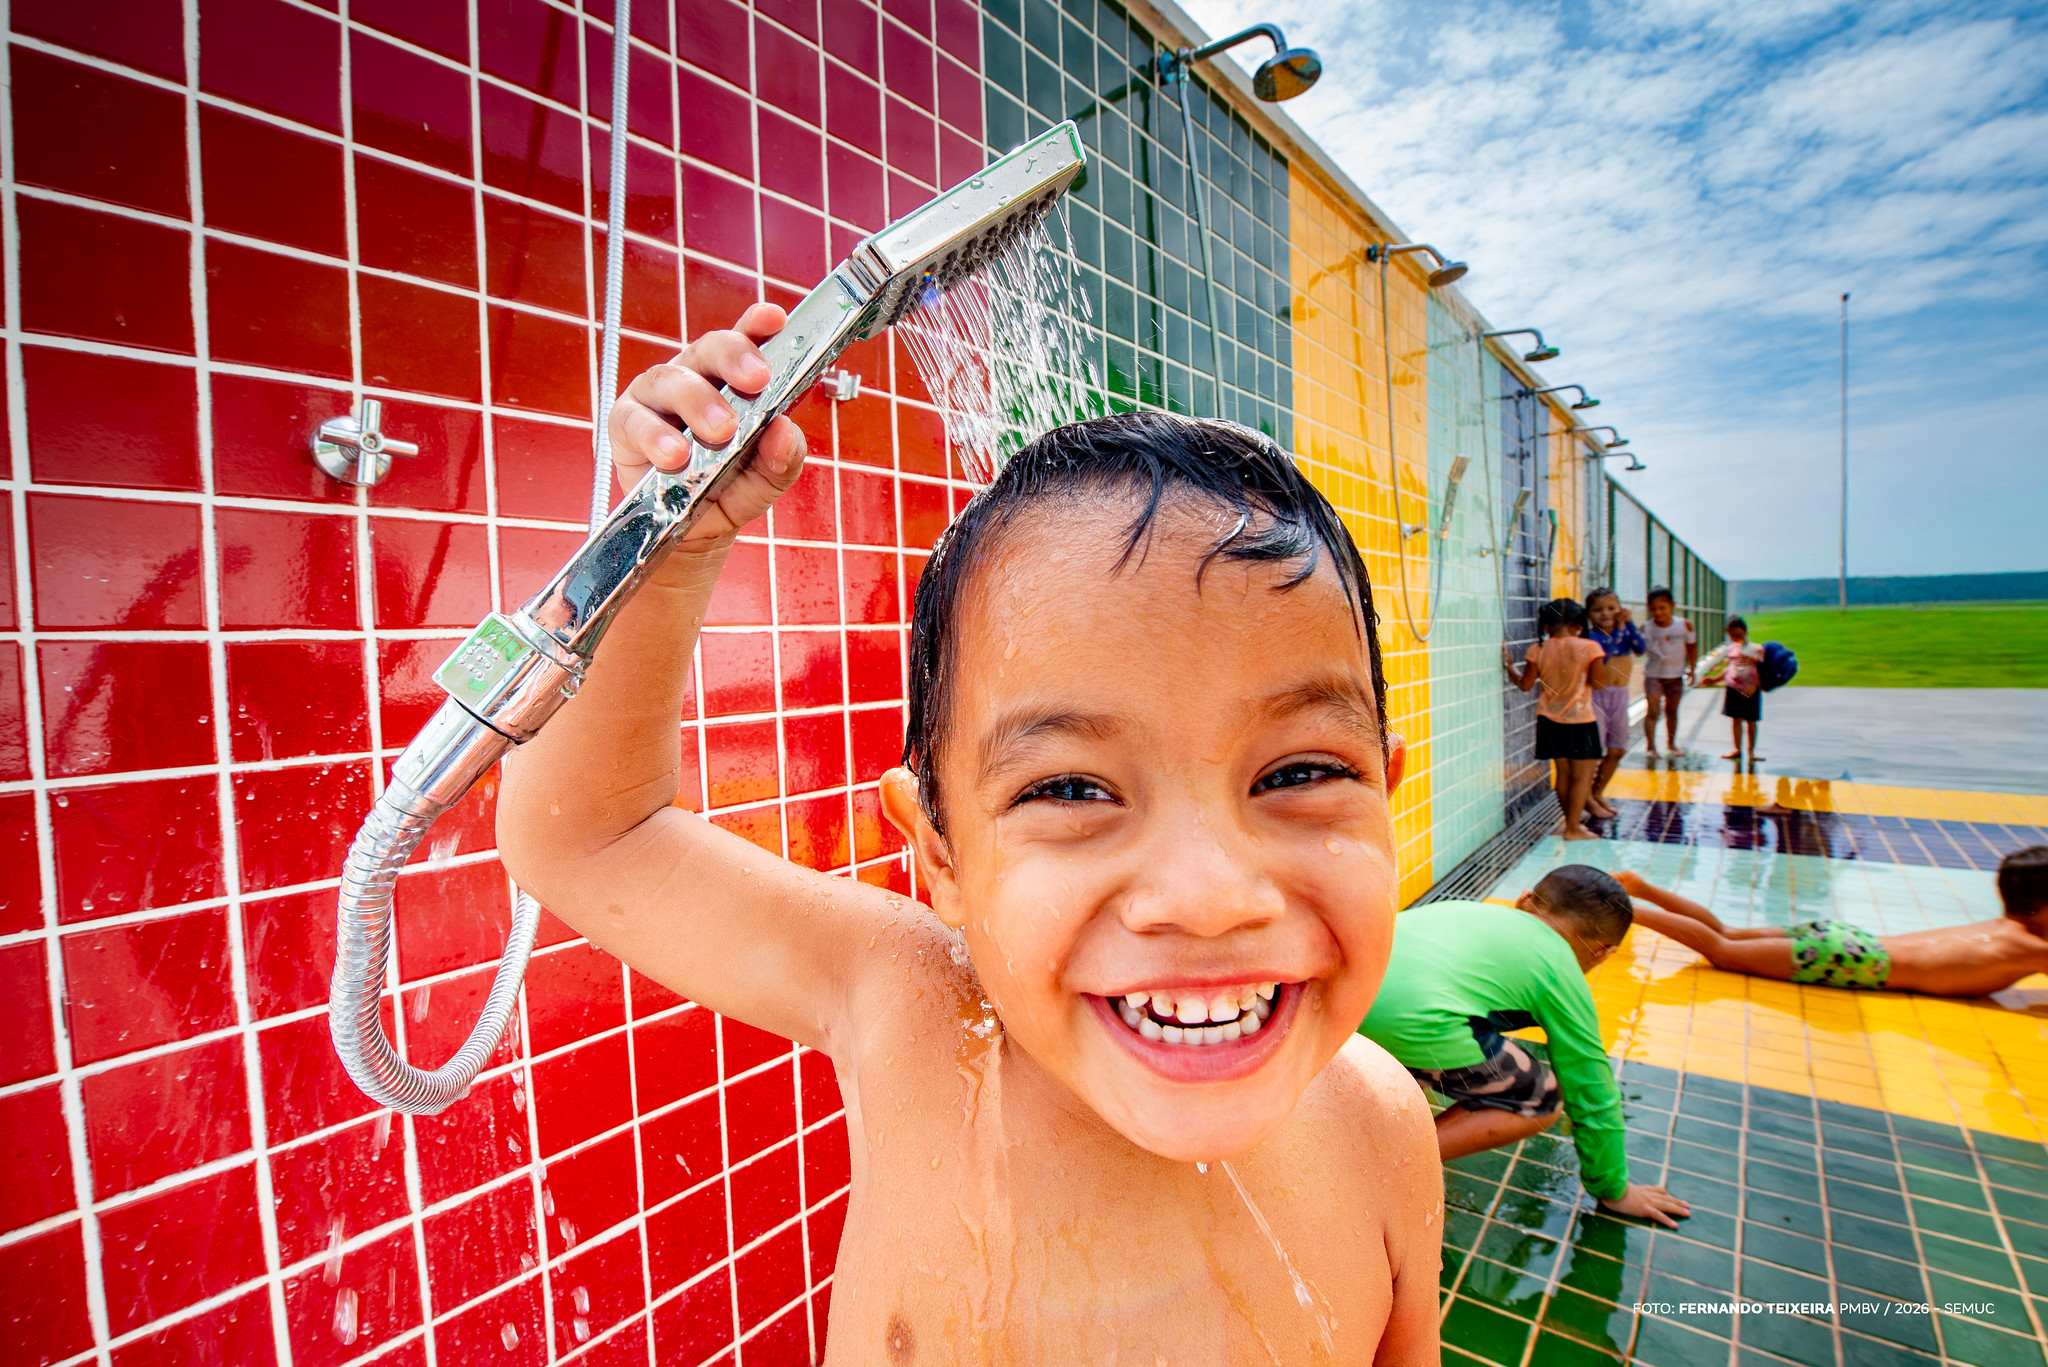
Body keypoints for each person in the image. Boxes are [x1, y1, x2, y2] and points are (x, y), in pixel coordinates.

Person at [497, 306, 1443, 1361]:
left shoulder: (1383, 1127)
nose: (1208, 891)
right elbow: (589, 834)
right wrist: (664, 549)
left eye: (1301, 772)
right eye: (1073, 788)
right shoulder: (915, 1013)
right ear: (937, 853)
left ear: (1384, 791)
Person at [1358, 865, 1693, 1227]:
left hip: (1337, 1006)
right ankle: (1378, 1169)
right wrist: (1615, 1189)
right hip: (1404, 1025)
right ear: (1602, 953)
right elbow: (1591, 1086)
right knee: (1540, 1100)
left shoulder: (1468, 909)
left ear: (1524, 901)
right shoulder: (1559, 965)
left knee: (1448, 1033)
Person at [1616, 850, 2048, 996]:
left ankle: (1640, 889)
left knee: (1726, 933)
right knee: (1723, 950)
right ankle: (1622, 905)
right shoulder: (2033, 949)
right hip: (1856, 960)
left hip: (1851, 941)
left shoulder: (2003, 928)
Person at [1505, 598, 1607, 841]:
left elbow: (1525, 684)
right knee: (1582, 777)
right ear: (1576, 623)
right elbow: (1601, 683)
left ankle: (1569, 821)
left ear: (1547, 626)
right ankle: (1573, 828)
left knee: (1562, 774)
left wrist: (1509, 666)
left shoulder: (1538, 650)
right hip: (1581, 719)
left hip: (1549, 720)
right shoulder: (1589, 647)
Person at [1583, 588, 1646, 820]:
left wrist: (1629, 625)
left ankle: (1597, 792)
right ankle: (1586, 796)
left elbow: (1640, 647)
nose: (1606, 614)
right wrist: (1619, 628)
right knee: (1594, 750)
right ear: (1588, 614)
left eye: (1611, 608)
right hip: (1596, 697)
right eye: (1598, 610)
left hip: (1620, 695)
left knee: (1617, 749)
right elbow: (1606, 653)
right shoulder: (1591, 637)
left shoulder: (1625, 632)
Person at [1640, 587, 1696, 757]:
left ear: (1672, 605)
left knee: (1672, 711)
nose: (1658, 613)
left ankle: (1671, 744)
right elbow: (1637, 647)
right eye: (1653, 609)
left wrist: (1692, 669)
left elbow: (1692, 648)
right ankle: (1651, 747)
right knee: (1653, 711)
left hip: (1675, 675)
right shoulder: (1646, 628)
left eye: (1662, 608)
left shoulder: (1684, 625)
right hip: (1653, 676)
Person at [1719, 616, 1766, 764]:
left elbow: (1763, 671)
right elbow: (1729, 668)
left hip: (1751, 690)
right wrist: (1714, 679)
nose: (1736, 638)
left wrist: (1755, 686)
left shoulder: (1756, 649)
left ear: (1745, 631)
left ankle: (1751, 751)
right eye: (1732, 635)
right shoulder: (1731, 649)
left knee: (1751, 721)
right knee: (1736, 720)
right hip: (1733, 689)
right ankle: (1737, 749)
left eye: (1738, 635)